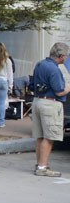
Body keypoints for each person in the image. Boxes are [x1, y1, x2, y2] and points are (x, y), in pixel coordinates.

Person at [30, 42, 69, 177]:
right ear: (61, 56)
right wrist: (68, 88)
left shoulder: (40, 64)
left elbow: (31, 85)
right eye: (66, 56)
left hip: (37, 101)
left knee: (40, 136)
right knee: (49, 136)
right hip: (50, 103)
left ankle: (40, 163)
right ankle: (42, 167)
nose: (66, 58)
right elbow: (59, 91)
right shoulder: (54, 69)